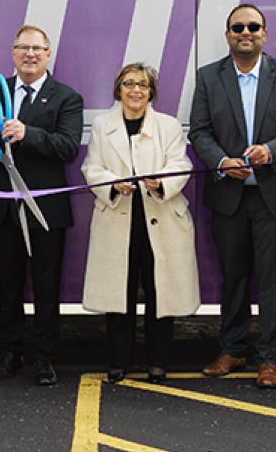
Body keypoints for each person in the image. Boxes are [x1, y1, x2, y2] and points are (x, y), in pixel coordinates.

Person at [188, 3, 276, 389]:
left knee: (274, 280)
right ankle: (232, 348)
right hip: (229, 195)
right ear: (227, 34)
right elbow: (199, 132)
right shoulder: (209, 77)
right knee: (234, 278)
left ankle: (271, 358)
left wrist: (271, 150)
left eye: (253, 26)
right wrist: (222, 161)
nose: (246, 32)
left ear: (265, 33)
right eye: (237, 27)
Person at [0, 24, 84, 386]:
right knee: (9, 283)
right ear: (13, 53)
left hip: (45, 210)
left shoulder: (66, 97)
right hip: (3, 206)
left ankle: (45, 358)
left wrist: (27, 134)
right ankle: (10, 353)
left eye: (37, 48)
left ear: (48, 55)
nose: (30, 54)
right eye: (23, 48)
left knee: (46, 285)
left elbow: (67, 147)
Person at [81, 63, 200, 384]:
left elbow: (181, 163)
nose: (136, 90)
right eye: (129, 84)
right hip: (117, 219)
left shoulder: (169, 126)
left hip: (161, 221)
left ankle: (157, 363)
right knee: (118, 297)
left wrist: (159, 181)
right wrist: (112, 183)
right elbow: (91, 167)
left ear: (151, 92)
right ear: (118, 89)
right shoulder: (103, 125)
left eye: (143, 85)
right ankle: (119, 362)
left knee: (161, 296)